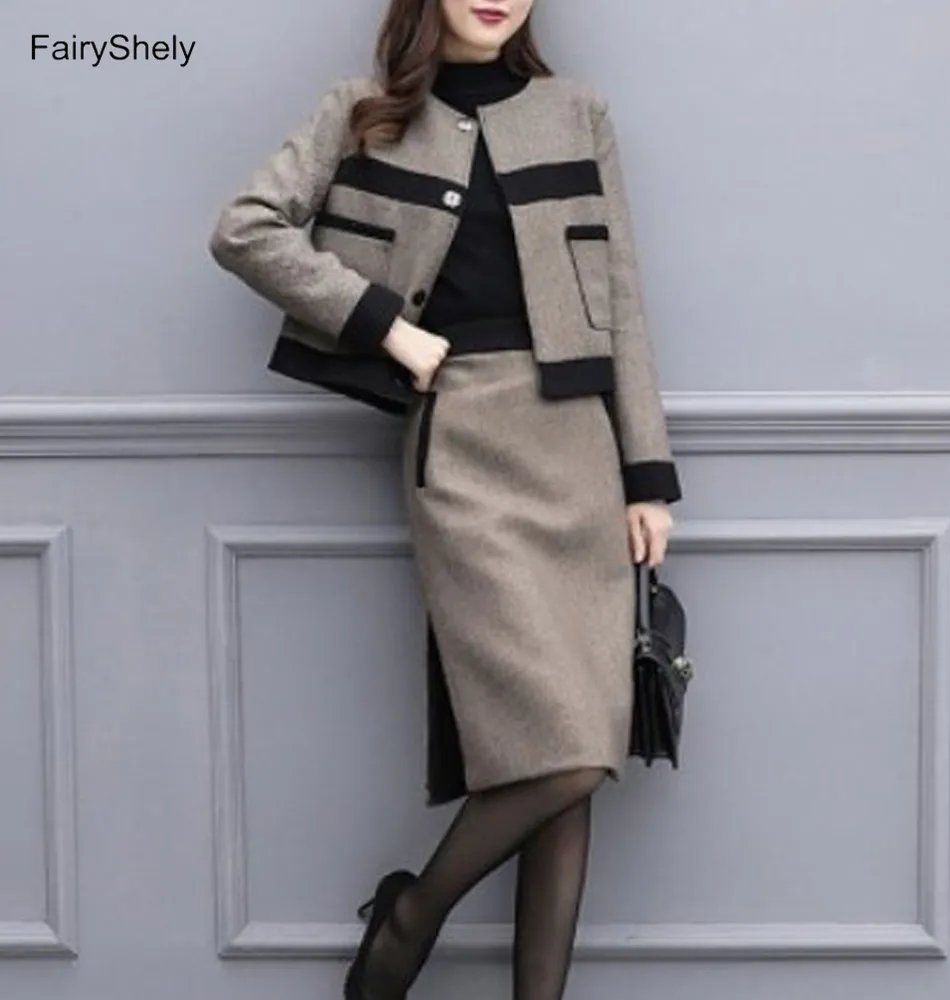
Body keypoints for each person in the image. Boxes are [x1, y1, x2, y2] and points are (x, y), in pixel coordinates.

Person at [208, 1, 683, 997]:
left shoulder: (577, 112)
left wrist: (646, 477)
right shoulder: (363, 111)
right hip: (462, 452)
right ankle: (411, 917)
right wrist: (385, 325)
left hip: (580, 457)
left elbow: (623, 301)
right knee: (564, 751)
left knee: (572, 762)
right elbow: (245, 229)